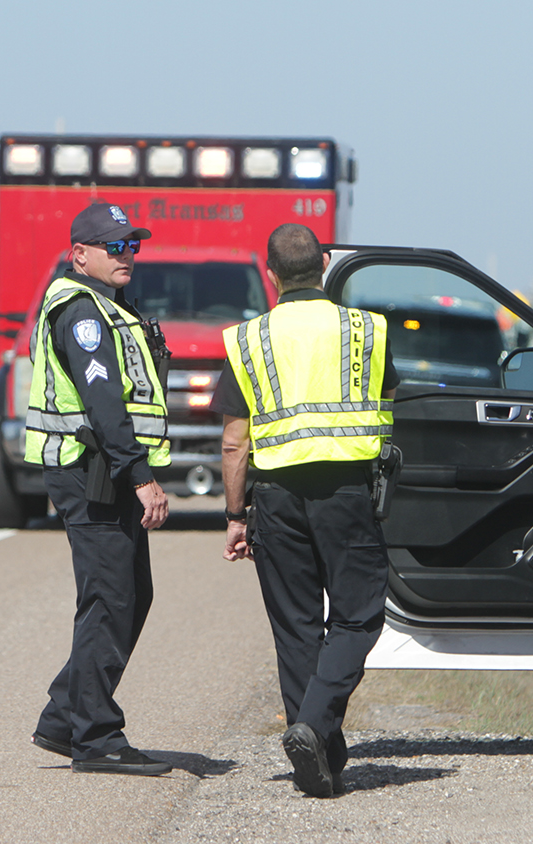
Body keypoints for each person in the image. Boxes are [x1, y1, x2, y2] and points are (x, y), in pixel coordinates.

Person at [211, 223, 398, 797]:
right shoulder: (366, 330)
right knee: (359, 615)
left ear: (270, 274)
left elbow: (234, 441)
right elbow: (388, 403)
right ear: (323, 263)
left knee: (294, 625)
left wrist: (235, 515)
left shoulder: (248, 340)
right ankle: (315, 732)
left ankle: (317, 753)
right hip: (345, 489)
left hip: (275, 495)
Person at [25, 202, 173, 776]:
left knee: (130, 594)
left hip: (100, 470)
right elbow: (104, 402)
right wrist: (142, 477)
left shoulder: (107, 307)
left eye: (131, 245)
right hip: (91, 473)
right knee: (110, 599)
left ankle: (66, 717)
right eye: (114, 246)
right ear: (78, 254)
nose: (126, 255)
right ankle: (97, 738)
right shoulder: (81, 313)